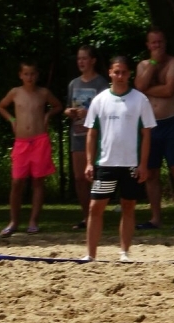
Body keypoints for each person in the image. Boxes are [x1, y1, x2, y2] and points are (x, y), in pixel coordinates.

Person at [82, 56, 156, 263]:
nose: (120, 76)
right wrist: (89, 162)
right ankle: (91, 254)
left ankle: (124, 252)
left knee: (128, 206)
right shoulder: (100, 100)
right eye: (117, 72)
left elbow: (146, 134)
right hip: (106, 163)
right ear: (110, 73)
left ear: (129, 73)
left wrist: (143, 164)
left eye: (124, 72)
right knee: (95, 207)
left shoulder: (140, 100)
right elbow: (92, 133)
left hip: (131, 164)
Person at [134, 28, 174, 231]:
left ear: (165, 43)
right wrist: (152, 64)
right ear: (148, 45)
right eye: (153, 43)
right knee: (151, 173)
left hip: (172, 122)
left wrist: (147, 88)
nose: (157, 46)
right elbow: (138, 85)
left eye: (160, 42)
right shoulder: (143, 65)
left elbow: (169, 90)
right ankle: (155, 218)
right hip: (151, 125)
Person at [0, 61, 62, 237]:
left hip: (39, 141)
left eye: (32, 74)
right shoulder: (15, 92)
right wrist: (11, 120)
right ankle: (14, 221)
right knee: (17, 182)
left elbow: (58, 105)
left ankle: (33, 221)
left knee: (38, 182)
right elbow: (1, 106)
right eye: (26, 74)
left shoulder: (43, 93)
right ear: (20, 75)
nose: (29, 77)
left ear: (37, 75)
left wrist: (48, 115)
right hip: (21, 142)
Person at [64, 46, 109, 230]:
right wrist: (71, 112)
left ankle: (97, 215)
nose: (81, 62)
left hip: (96, 136)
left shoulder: (101, 84)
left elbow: (107, 110)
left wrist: (89, 112)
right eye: (79, 59)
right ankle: (86, 216)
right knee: (79, 177)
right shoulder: (73, 84)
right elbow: (67, 107)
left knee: (95, 177)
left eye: (84, 58)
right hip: (77, 135)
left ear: (93, 60)